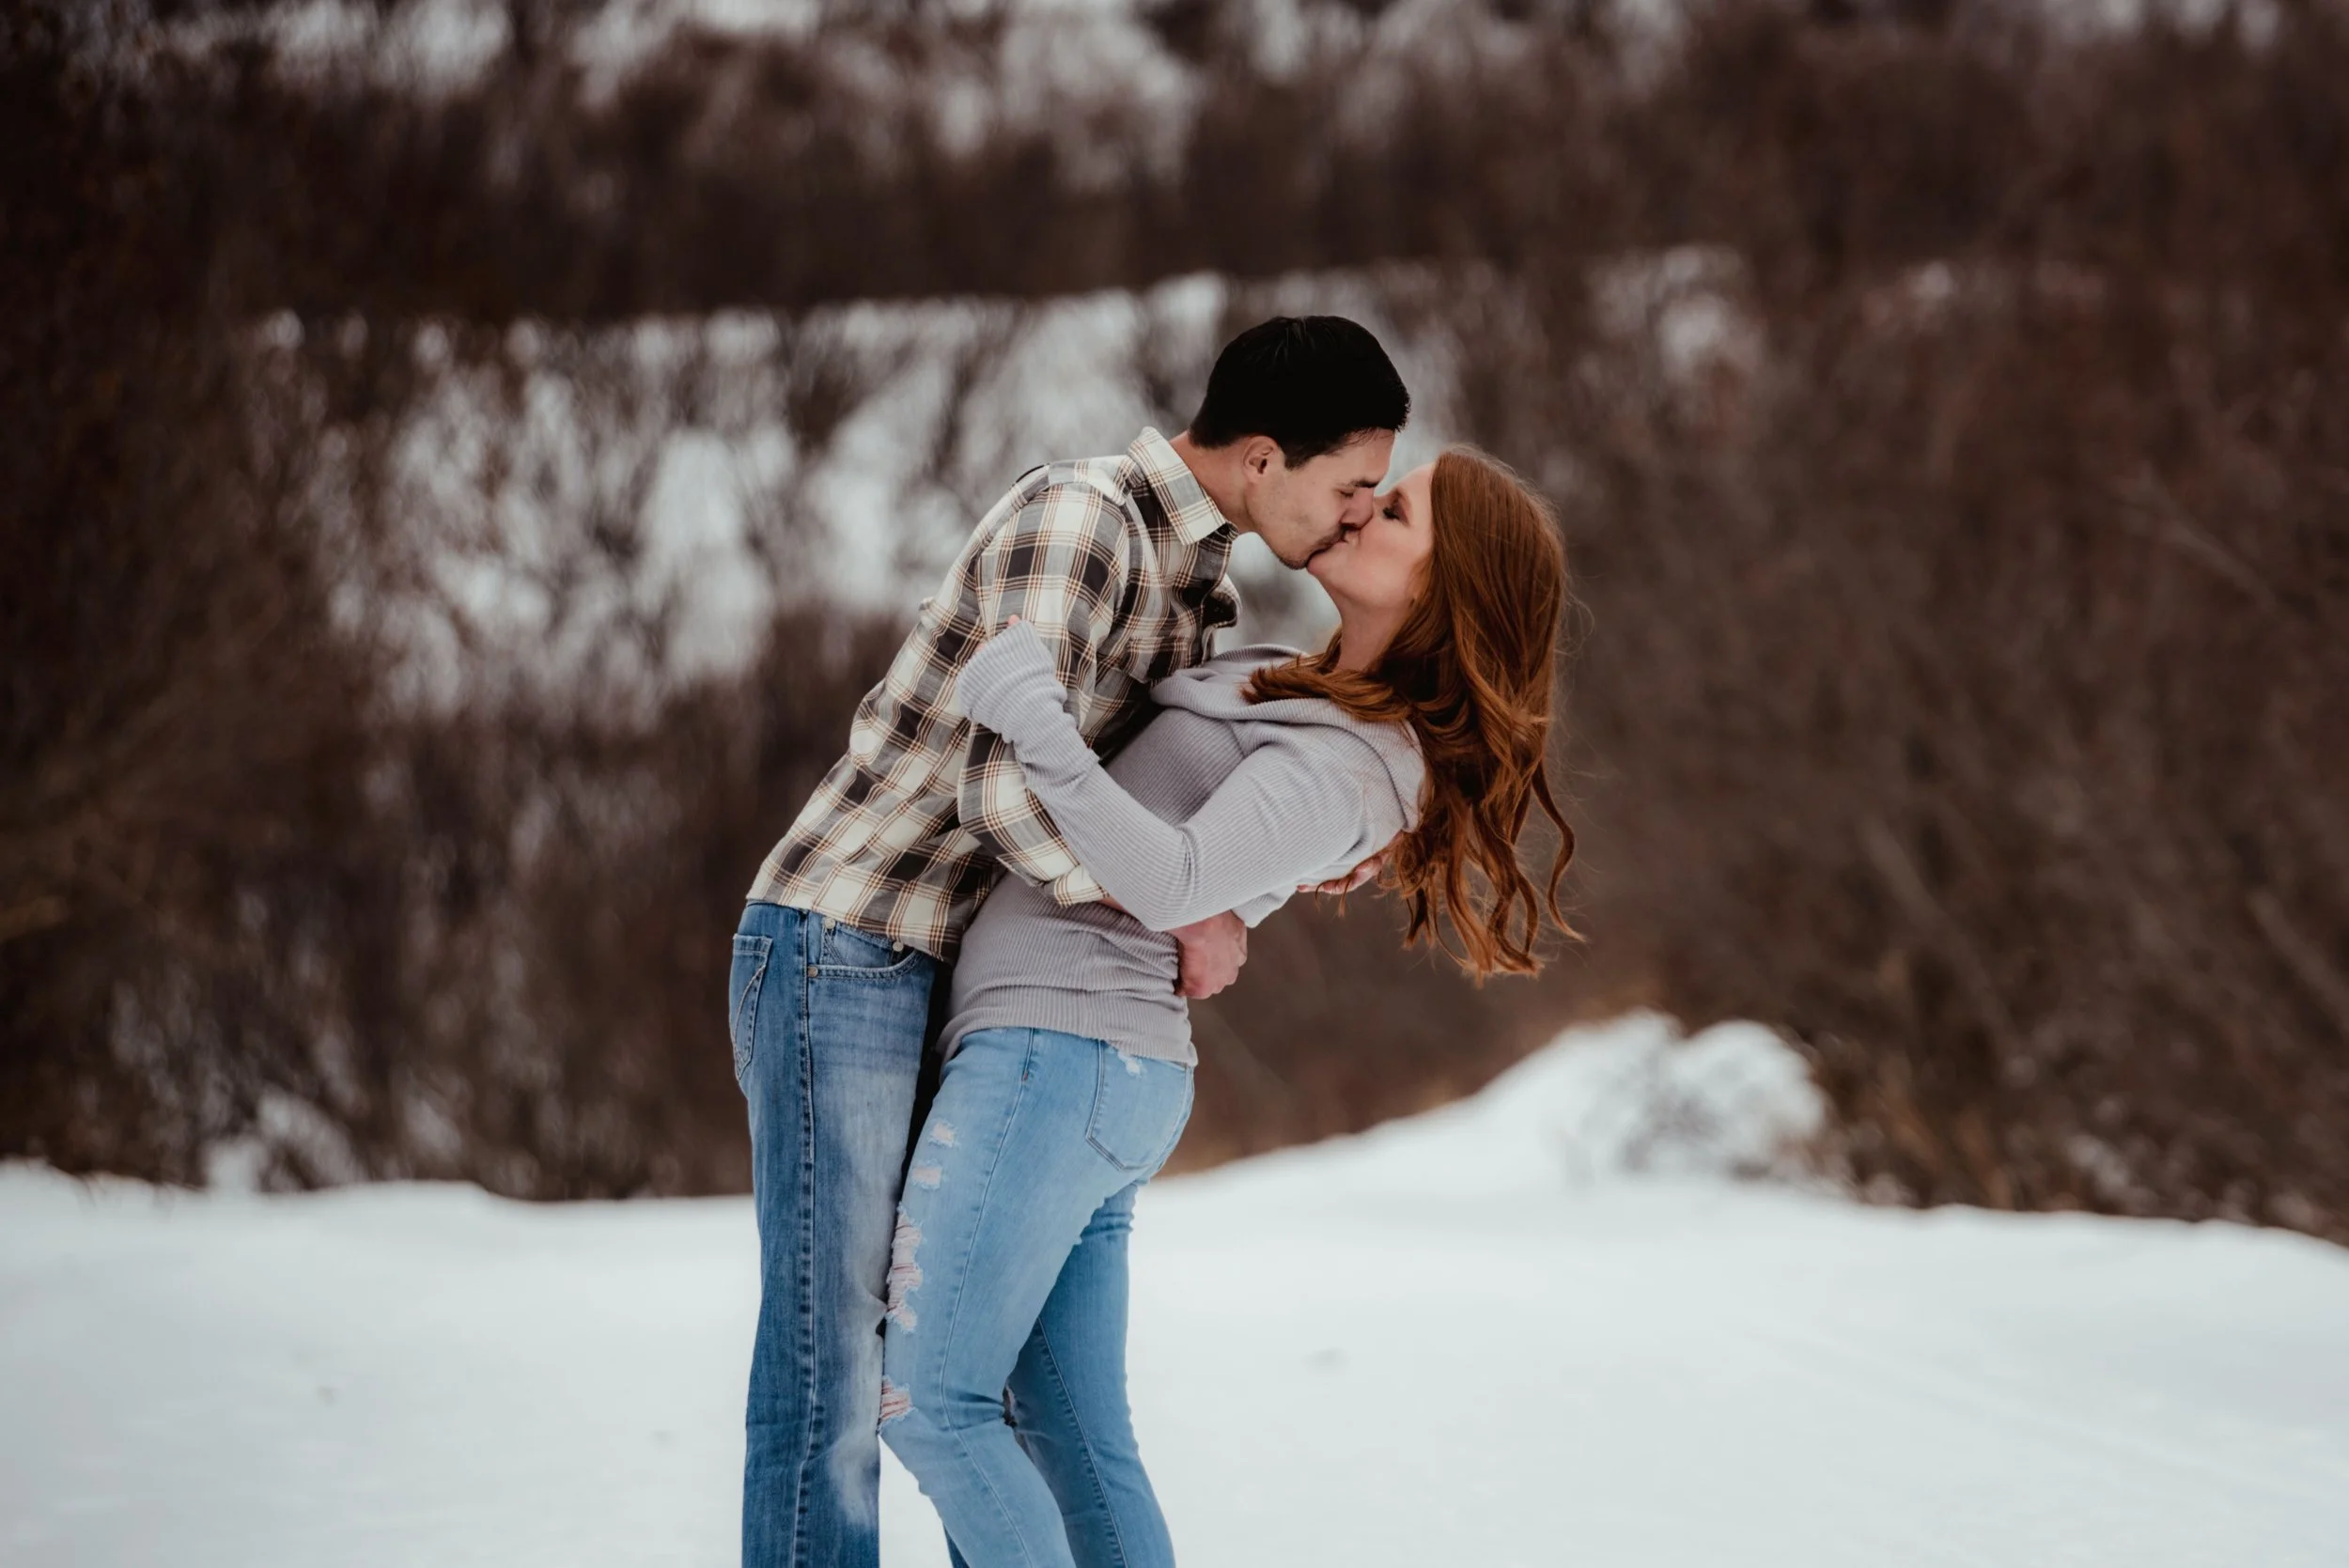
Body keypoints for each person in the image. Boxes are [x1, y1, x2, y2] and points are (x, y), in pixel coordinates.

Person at [728, 317, 1412, 1568]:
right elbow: (1011, 786)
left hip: (961, 973)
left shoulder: (1201, 586)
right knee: (835, 1371)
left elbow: (1170, 801)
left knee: (960, 1377)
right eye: (1350, 484)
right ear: (1264, 457)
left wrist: (1325, 843)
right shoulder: (1084, 520)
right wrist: (1183, 904)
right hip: (851, 937)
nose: (1358, 513)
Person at [877, 446, 1575, 1568]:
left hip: (1062, 1054)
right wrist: (1229, 905)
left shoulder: (1351, 760)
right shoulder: (1319, 707)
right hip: (1080, 1060)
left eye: (1392, 511)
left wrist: (1035, 721)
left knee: (929, 1404)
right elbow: (1207, 869)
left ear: (1447, 590)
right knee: (1067, 1430)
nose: (1357, 512)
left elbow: (1168, 877)